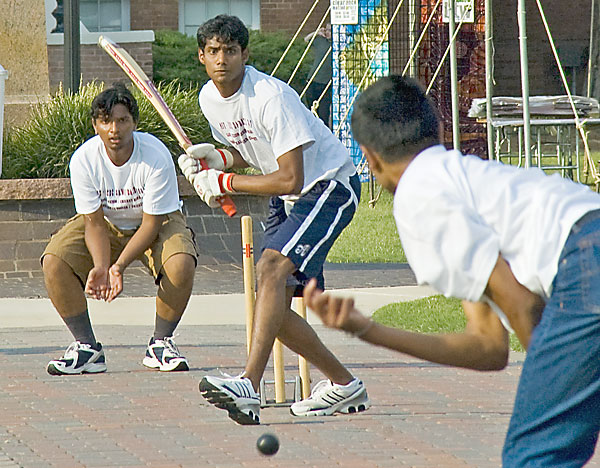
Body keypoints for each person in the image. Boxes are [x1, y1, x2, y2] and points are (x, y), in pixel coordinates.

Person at [303, 74, 600, 467]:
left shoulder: (419, 193)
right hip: (587, 245)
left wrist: (548, 380)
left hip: (585, 260)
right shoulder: (467, 180)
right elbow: (488, 347)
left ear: (368, 156)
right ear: (439, 129)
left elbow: (520, 303)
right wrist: (369, 330)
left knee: (534, 457)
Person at [177, 14, 369, 425]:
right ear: (201, 57)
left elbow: (291, 174)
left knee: (269, 270)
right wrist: (219, 158)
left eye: (230, 51)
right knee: (272, 303)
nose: (222, 59)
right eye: (213, 51)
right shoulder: (208, 100)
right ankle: (343, 385)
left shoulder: (270, 96)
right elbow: (255, 152)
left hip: (328, 186)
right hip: (288, 197)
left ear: (245, 54)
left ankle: (248, 384)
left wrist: (225, 181)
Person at [42, 84, 198, 376]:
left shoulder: (154, 154)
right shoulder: (84, 159)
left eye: (122, 120)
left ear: (134, 123)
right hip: (105, 223)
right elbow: (94, 223)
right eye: (106, 121)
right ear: (95, 125)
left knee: (181, 261)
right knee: (55, 260)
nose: (114, 129)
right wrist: (101, 266)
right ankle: (87, 348)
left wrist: (118, 267)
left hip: (156, 222)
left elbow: (151, 224)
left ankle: (160, 344)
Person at [303, 24, 332, 128]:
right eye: (326, 30)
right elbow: (306, 39)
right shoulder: (320, 40)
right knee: (311, 112)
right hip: (313, 81)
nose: (327, 32)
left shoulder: (337, 45)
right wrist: (316, 32)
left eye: (330, 30)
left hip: (327, 84)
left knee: (323, 115)